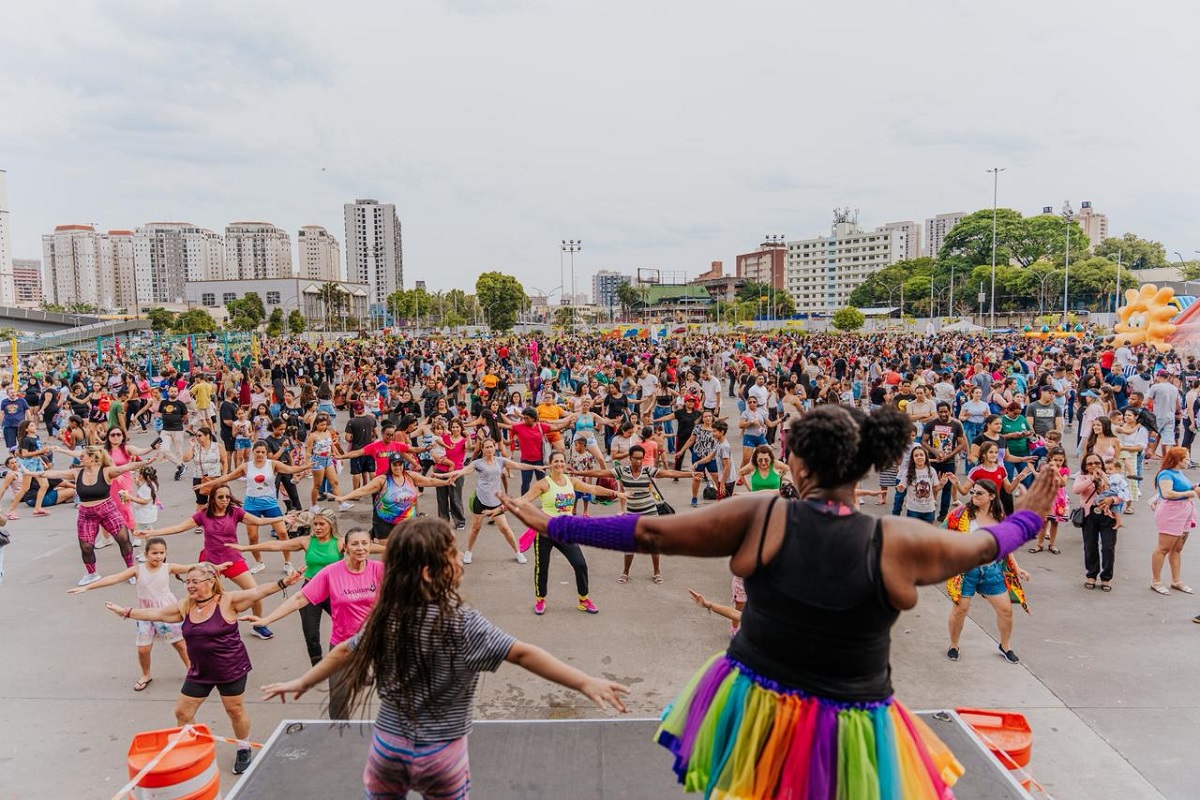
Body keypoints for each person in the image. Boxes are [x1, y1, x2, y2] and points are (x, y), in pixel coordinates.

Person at [500, 404, 1060, 798]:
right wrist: (1030, 516)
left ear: (796, 466)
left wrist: (556, 523)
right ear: (864, 468)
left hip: (758, 706)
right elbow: (984, 544)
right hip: (854, 725)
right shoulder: (898, 542)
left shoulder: (761, 514)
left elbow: (648, 533)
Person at [258, 517, 628, 798]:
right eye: (453, 554)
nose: (462, 561)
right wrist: (584, 681)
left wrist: (302, 682)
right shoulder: (462, 621)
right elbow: (524, 654)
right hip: (442, 757)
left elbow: (342, 650)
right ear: (430, 570)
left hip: (388, 750)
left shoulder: (385, 617)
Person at [103, 561, 302, 775]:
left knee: (234, 710)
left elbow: (257, 591)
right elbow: (158, 613)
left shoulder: (227, 601)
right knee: (182, 712)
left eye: (195, 581)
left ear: (211, 582)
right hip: (199, 671)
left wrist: (284, 582)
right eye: (187, 582)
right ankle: (193, 748)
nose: (189, 585)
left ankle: (243, 747)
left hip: (230, 668)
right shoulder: (186, 605)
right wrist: (127, 612)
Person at [240, 527, 381, 719]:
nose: (360, 548)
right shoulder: (331, 573)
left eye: (365, 543)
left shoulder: (379, 570)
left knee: (396, 694)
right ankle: (338, 736)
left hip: (377, 642)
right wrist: (266, 619)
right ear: (345, 547)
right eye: (355, 544)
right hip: (343, 644)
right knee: (339, 698)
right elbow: (300, 599)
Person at [138, 486, 285, 639]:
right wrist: (151, 532)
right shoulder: (203, 515)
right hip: (210, 562)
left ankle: (258, 625)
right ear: (213, 498)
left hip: (233, 559)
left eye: (228, 497)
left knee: (255, 593)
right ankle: (195, 623)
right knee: (200, 596)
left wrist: (281, 518)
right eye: (221, 497)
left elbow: (259, 521)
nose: (225, 500)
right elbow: (178, 528)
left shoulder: (235, 512)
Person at [68, 537, 192, 691]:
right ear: (146, 554)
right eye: (154, 553)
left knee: (179, 644)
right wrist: (87, 588)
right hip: (143, 613)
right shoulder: (137, 570)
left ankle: (191, 671)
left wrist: (217, 566)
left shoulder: (169, 567)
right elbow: (114, 578)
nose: (158, 556)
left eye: (162, 552)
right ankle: (146, 675)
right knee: (143, 649)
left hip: (166, 610)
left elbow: (193, 568)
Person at [231, 510, 344, 665]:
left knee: (348, 629)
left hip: (334, 592)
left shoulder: (340, 543)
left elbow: (367, 548)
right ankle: (317, 667)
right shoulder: (306, 541)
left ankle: (353, 663)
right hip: (310, 591)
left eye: (321, 524)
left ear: (331, 525)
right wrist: (245, 548)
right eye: (315, 524)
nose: (317, 528)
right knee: (311, 636)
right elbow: (277, 545)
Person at [517, 450, 621, 614]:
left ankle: (583, 599)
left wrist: (616, 493)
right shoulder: (543, 483)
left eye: (561, 461)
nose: (559, 464)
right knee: (542, 567)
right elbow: (524, 499)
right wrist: (502, 506)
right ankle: (540, 599)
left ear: (565, 464)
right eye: (556, 461)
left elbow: (592, 488)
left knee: (579, 563)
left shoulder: (571, 481)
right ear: (550, 463)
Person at [945, 478, 1031, 664]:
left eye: (979, 493)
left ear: (992, 496)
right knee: (960, 610)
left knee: (1006, 610)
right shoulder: (960, 514)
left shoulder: (1000, 516)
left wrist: (1017, 568)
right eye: (973, 492)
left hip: (991, 570)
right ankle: (953, 644)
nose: (974, 496)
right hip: (965, 571)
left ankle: (1005, 646)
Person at [197, 441, 312, 575]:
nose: (260, 454)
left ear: (266, 452)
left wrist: (307, 466)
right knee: (252, 537)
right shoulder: (247, 466)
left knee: (282, 533)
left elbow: (290, 469)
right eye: (257, 452)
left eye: (263, 452)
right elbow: (228, 476)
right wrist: (209, 483)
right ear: (253, 452)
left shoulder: (272, 464)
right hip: (251, 504)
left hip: (270, 504)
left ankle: (288, 563)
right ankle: (259, 563)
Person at [54, 445, 156, 586]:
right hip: (86, 514)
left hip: (107, 509)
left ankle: (131, 570)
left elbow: (126, 467)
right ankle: (91, 574)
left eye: (83, 456)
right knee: (86, 546)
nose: (80, 458)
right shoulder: (77, 472)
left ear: (92, 458)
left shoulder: (106, 471)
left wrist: (145, 462)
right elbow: (54, 473)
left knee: (124, 539)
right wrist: (33, 473)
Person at [454, 438, 541, 565]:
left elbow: (519, 465)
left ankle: (518, 552)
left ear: (495, 448)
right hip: (480, 499)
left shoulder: (501, 461)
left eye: (491, 447)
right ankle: (468, 552)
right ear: (482, 449)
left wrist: (536, 467)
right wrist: (453, 474)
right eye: (487, 447)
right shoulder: (478, 463)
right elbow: (464, 471)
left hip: (495, 502)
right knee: (475, 528)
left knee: (505, 528)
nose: (489, 449)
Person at [332, 453, 456, 541]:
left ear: (403, 465)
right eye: (394, 465)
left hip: (407, 522)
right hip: (386, 522)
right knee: (388, 552)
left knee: (408, 550)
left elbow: (429, 482)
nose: (397, 467)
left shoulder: (411, 476)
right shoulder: (383, 480)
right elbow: (363, 490)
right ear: (390, 465)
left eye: (400, 464)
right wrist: (344, 497)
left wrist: (445, 482)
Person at [1150, 446, 1197, 595]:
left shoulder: (1179, 473)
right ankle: (1156, 581)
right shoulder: (1165, 474)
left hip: (1184, 512)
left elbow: (1184, 487)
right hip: (1171, 512)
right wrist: (1190, 492)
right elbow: (1167, 493)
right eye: (1186, 459)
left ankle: (1176, 580)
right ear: (1177, 460)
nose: (1188, 461)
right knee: (1163, 548)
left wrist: (1193, 488)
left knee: (1177, 548)